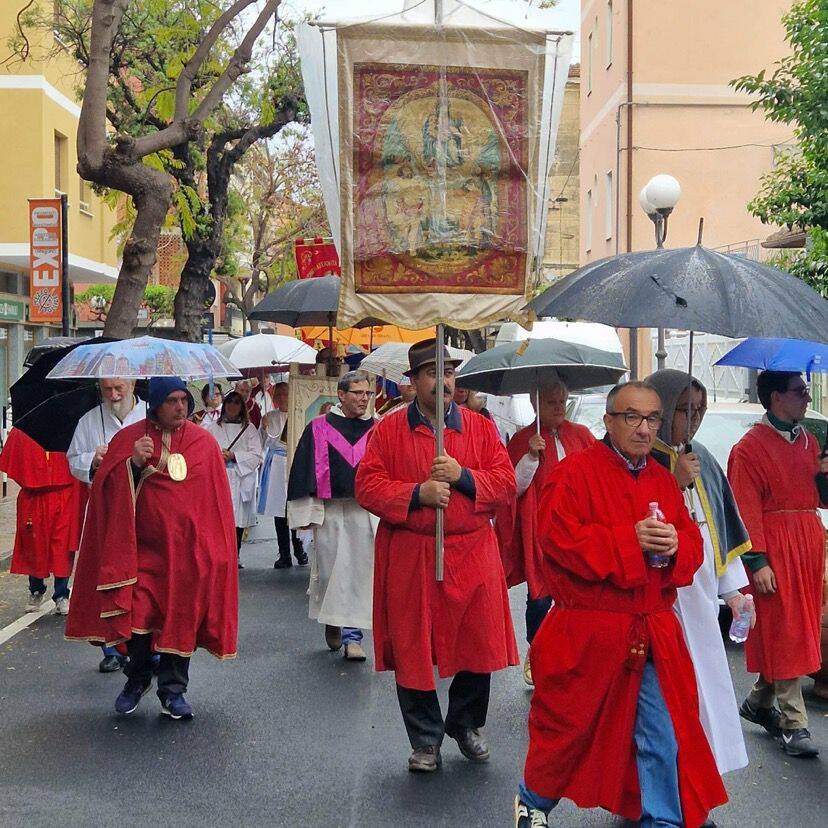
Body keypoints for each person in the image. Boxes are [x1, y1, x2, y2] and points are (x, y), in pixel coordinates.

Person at [515, 381, 726, 828]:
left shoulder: (664, 481)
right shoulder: (571, 475)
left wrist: (674, 546)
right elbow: (557, 543)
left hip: (650, 630)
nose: (644, 428)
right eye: (632, 417)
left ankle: (663, 820)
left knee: (661, 733)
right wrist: (627, 542)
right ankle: (532, 800)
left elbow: (691, 547)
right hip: (588, 632)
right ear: (608, 421)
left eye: (652, 418)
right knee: (569, 732)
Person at [355, 339, 519, 773]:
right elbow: (367, 486)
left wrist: (464, 476)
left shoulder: (481, 428)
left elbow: (504, 485)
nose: (443, 382)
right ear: (414, 382)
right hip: (411, 553)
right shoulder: (388, 430)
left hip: (471, 550)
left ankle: (465, 724)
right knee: (412, 647)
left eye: (448, 373)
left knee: (477, 642)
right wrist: (416, 493)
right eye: (432, 373)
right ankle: (425, 739)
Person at [65, 377, 238, 721]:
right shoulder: (129, 440)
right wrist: (130, 464)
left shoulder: (204, 443)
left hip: (187, 555)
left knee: (180, 621)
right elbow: (103, 491)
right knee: (139, 620)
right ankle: (138, 678)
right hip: (141, 554)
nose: (181, 407)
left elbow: (216, 503)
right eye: (171, 401)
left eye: (184, 400)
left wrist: (216, 553)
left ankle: (173, 692)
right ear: (155, 405)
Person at [647, 369, 751, 785]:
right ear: (665, 408)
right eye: (686, 410)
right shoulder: (643, 460)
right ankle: (663, 790)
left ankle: (698, 784)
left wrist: (735, 593)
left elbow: (718, 528)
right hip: (665, 602)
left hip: (703, 601)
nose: (695, 420)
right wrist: (673, 484)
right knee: (667, 702)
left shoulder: (702, 457)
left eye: (701, 410)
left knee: (706, 694)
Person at [728, 370, 827, 758]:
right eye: (799, 391)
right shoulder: (748, 448)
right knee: (784, 628)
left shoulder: (809, 441)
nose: (806, 397)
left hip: (806, 544)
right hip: (775, 546)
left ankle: (759, 701)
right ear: (775, 398)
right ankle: (793, 721)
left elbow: (819, 497)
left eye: (806, 390)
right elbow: (744, 507)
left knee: (799, 626)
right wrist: (758, 561)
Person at [496, 381, 595, 687]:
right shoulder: (525, 439)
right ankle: (536, 650)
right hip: (543, 528)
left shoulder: (581, 435)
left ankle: (575, 656)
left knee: (581, 595)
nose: (558, 407)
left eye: (562, 401)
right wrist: (530, 458)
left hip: (582, 526)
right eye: (551, 401)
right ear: (535, 402)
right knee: (540, 597)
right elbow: (512, 488)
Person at [287, 370, 376, 661]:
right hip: (331, 511)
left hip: (365, 511)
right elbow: (303, 469)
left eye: (367, 393)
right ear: (341, 395)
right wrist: (306, 512)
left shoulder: (377, 428)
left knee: (359, 574)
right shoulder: (319, 428)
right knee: (330, 571)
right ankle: (333, 618)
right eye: (357, 393)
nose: (364, 399)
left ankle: (354, 637)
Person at [67, 377, 145, 673]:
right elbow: (73, 460)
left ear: (133, 384)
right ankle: (110, 645)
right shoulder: (89, 421)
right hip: (106, 512)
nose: (113, 395)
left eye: (119, 389)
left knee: (141, 578)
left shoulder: (149, 416)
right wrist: (93, 460)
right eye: (107, 389)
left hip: (144, 511)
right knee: (107, 575)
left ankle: (142, 638)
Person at [0, 428, 85, 615]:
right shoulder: (25, 428)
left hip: (65, 495)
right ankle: (36, 589)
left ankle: (62, 594)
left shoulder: (72, 428)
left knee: (62, 546)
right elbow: (13, 463)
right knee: (34, 544)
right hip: (34, 497)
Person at [205, 391, 262, 568]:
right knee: (218, 518)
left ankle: (234, 554)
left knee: (237, 520)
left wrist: (234, 456)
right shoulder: (213, 428)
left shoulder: (249, 428)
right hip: (219, 476)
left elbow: (257, 456)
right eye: (230, 402)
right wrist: (218, 455)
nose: (232, 406)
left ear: (241, 407)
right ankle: (218, 554)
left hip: (239, 477)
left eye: (237, 402)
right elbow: (204, 451)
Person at [258, 382, 307, 568]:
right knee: (280, 510)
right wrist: (263, 428)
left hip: (295, 462)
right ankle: (284, 553)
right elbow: (264, 443)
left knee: (295, 507)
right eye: (277, 395)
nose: (281, 398)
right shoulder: (269, 417)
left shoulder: (299, 414)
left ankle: (299, 549)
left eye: (285, 394)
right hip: (277, 464)